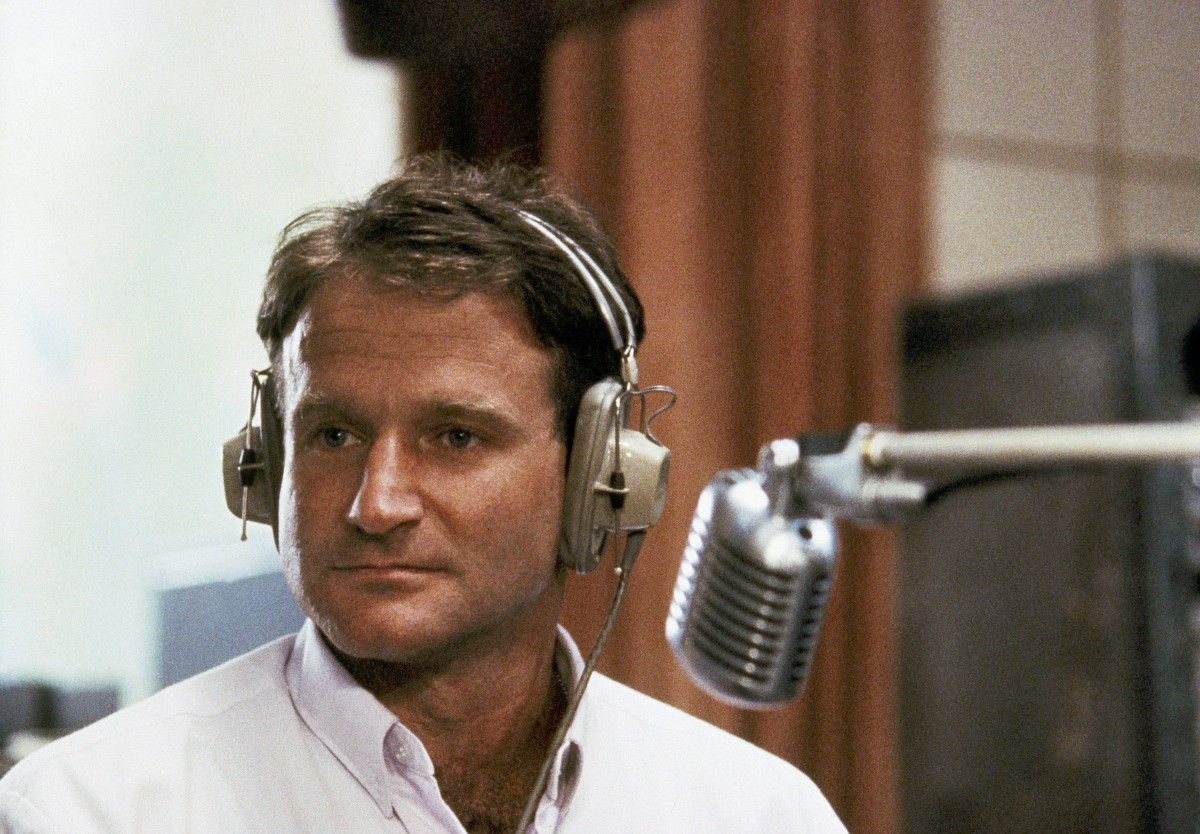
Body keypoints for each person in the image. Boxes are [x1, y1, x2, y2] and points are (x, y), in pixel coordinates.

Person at [0, 154, 846, 833]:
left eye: (456, 438)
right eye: (334, 436)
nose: (376, 505)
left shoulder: (756, 816)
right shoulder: (88, 811)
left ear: (599, 477)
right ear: (266, 462)